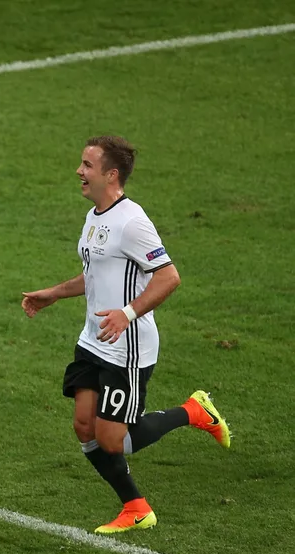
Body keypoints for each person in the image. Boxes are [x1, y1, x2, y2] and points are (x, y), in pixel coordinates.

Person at [21, 135, 231, 533]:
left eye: (87, 165)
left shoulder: (132, 222)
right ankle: (136, 507)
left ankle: (193, 411)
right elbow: (95, 274)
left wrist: (127, 313)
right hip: (93, 340)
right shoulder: (95, 216)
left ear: (111, 174)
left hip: (126, 348)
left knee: (113, 440)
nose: (79, 171)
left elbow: (169, 277)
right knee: (84, 427)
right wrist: (54, 293)